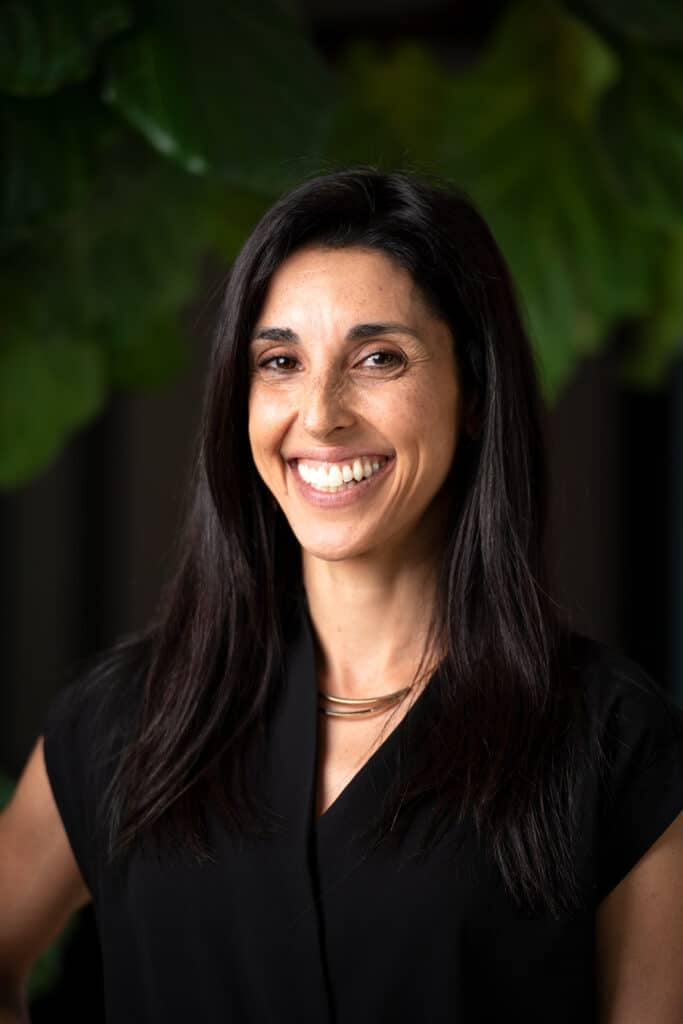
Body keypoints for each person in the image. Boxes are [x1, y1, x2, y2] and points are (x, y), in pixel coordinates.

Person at [1, 168, 682, 1024]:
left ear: (473, 392)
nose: (319, 415)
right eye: (280, 362)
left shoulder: (612, 745)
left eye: (377, 359)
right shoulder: (125, 720)